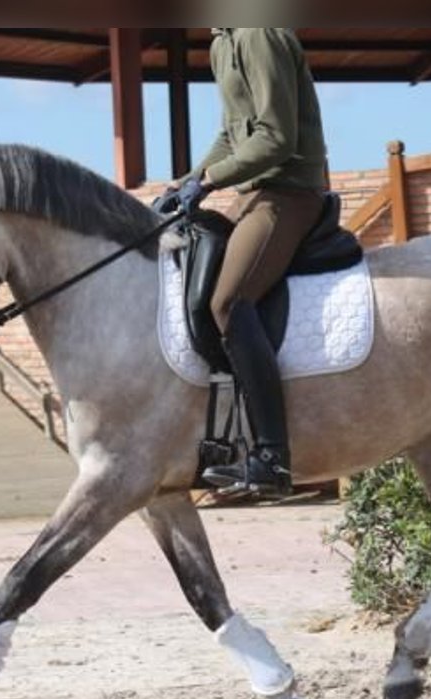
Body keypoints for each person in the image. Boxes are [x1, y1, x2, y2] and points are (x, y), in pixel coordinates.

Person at [160, 27, 329, 497]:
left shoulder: (260, 34)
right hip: (253, 193)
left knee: (229, 302)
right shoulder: (222, 42)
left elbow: (275, 137)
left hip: (288, 193)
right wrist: (185, 183)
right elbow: (231, 134)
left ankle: (273, 457)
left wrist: (209, 181)